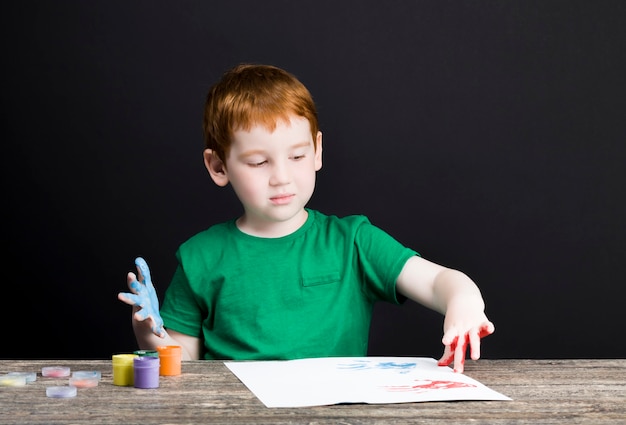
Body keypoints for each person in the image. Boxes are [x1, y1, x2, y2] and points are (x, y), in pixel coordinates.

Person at [118, 63, 495, 373]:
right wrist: (150, 332)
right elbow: (182, 363)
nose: (281, 176)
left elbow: (438, 282)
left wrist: (462, 302)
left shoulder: (353, 242)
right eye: (258, 161)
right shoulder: (200, 256)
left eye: (297, 156)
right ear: (218, 166)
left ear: (317, 151)